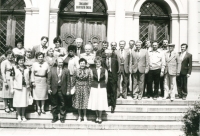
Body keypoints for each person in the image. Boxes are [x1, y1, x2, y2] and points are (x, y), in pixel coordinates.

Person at [47, 57, 71, 123]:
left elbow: (68, 81)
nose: (61, 64)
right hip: (54, 89)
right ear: (56, 62)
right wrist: (49, 88)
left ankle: (62, 118)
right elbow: (48, 80)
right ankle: (55, 117)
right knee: (54, 104)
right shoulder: (52, 69)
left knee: (63, 104)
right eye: (59, 62)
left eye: (62, 62)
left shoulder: (66, 70)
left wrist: (68, 90)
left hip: (62, 89)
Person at [88, 56, 108, 124]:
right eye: (96, 62)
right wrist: (94, 84)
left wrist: (102, 84)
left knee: (100, 102)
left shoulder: (104, 70)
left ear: (101, 63)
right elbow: (91, 79)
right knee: (95, 101)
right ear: (95, 63)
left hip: (102, 88)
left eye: (99, 62)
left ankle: (100, 116)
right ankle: (97, 116)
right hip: (94, 87)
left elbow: (106, 80)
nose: (97, 64)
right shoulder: (92, 70)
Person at [10, 55, 30, 121]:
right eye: (20, 60)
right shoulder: (14, 68)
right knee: (18, 102)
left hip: (25, 87)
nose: (21, 62)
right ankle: (18, 115)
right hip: (17, 88)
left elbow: (28, 78)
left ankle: (23, 115)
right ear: (17, 61)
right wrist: (12, 88)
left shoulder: (27, 68)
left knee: (24, 102)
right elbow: (11, 79)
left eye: (22, 60)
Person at [102, 49, 118, 113]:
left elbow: (117, 68)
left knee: (113, 91)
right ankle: (108, 103)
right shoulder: (103, 61)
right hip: (106, 76)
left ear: (110, 54)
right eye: (105, 53)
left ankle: (113, 105)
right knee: (107, 90)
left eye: (107, 53)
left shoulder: (115, 60)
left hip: (113, 76)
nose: (106, 54)